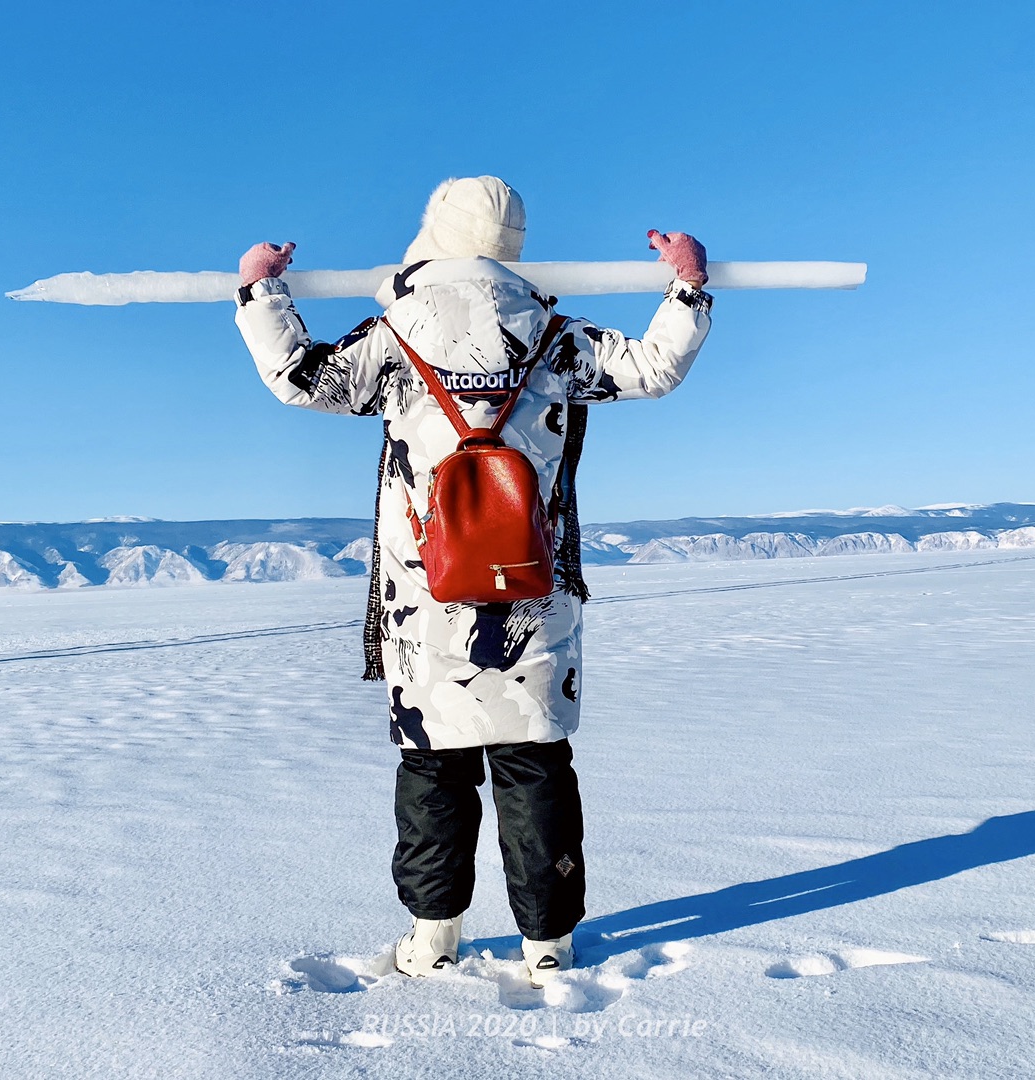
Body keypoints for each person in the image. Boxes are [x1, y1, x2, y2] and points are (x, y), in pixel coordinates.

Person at [233, 176, 711, 986]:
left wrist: (261, 289)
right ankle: (548, 944)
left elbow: (304, 379)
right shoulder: (555, 333)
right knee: (534, 764)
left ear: (434, 235)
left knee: (433, 765)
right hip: (535, 594)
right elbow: (653, 368)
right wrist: (687, 286)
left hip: (424, 596)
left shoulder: (397, 331)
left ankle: (433, 937)